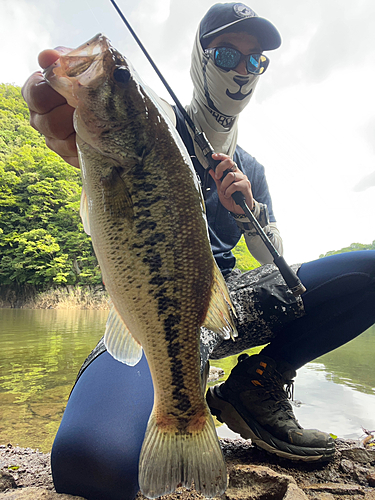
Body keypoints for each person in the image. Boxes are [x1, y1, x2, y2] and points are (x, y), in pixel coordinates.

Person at [22, 3, 375, 500]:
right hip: (154, 311)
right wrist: (72, 136)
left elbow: (273, 258)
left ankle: (258, 383)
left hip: (230, 302)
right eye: (227, 53)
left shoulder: (249, 165)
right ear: (198, 57)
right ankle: (179, 407)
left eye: (254, 62)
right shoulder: (158, 125)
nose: (240, 71)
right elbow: (100, 183)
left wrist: (247, 212)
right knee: (93, 460)